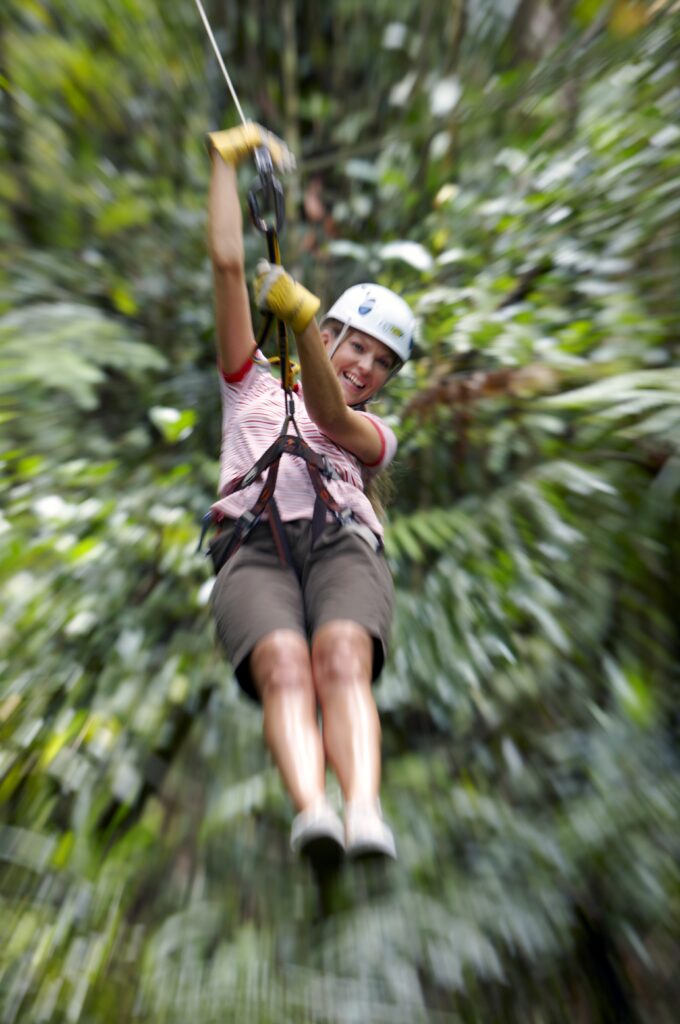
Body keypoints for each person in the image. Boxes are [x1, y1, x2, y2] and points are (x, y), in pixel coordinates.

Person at [205, 122, 415, 866]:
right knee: (285, 665)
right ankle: (315, 814)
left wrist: (296, 315)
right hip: (252, 546)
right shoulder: (249, 384)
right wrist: (222, 166)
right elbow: (230, 268)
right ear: (327, 335)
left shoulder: (371, 434)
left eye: (381, 362)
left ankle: (364, 812)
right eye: (355, 344)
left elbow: (327, 415)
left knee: (341, 654)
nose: (364, 365)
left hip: (340, 545)